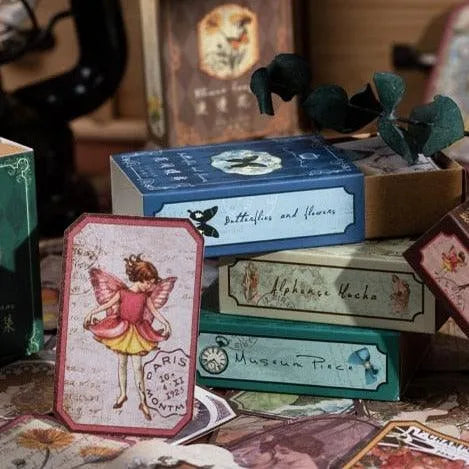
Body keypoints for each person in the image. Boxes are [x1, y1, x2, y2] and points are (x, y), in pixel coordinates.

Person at [83, 254, 176, 421]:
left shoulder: (145, 297)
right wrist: (91, 312)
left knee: (138, 367)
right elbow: (108, 304)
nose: (151, 286)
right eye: (148, 283)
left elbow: (154, 311)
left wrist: (166, 323)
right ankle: (123, 394)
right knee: (122, 363)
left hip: (138, 332)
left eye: (152, 283)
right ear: (140, 279)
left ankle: (143, 402)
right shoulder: (122, 293)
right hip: (122, 330)